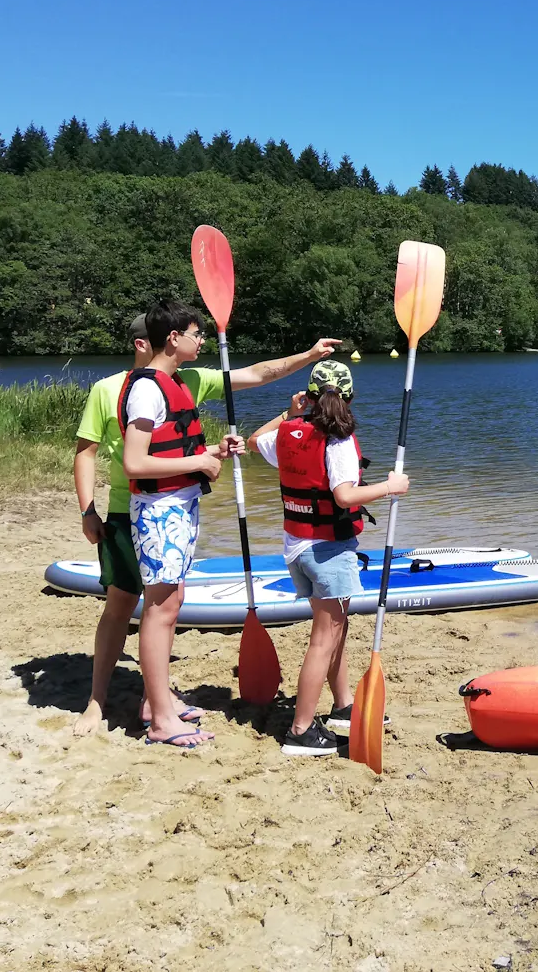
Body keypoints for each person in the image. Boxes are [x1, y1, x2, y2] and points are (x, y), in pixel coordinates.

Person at [72, 311, 341, 738]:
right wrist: (89, 510)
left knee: (167, 606)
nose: (202, 343)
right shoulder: (124, 390)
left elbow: (256, 373)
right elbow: (111, 457)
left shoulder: (184, 381)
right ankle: (109, 704)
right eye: (195, 336)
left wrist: (308, 356)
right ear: (160, 340)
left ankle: (156, 701)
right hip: (138, 510)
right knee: (133, 608)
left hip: (172, 503)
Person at [248, 360, 409, 756]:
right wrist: (390, 487)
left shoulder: (288, 432)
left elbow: (254, 441)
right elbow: (344, 496)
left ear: (310, 396)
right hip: (328, 551)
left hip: (297, 548)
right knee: (324, 638)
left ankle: (341, 707)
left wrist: (290, 411)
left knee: (337, 630)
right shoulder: (339, 442)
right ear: (350, 397)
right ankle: (301, 730)